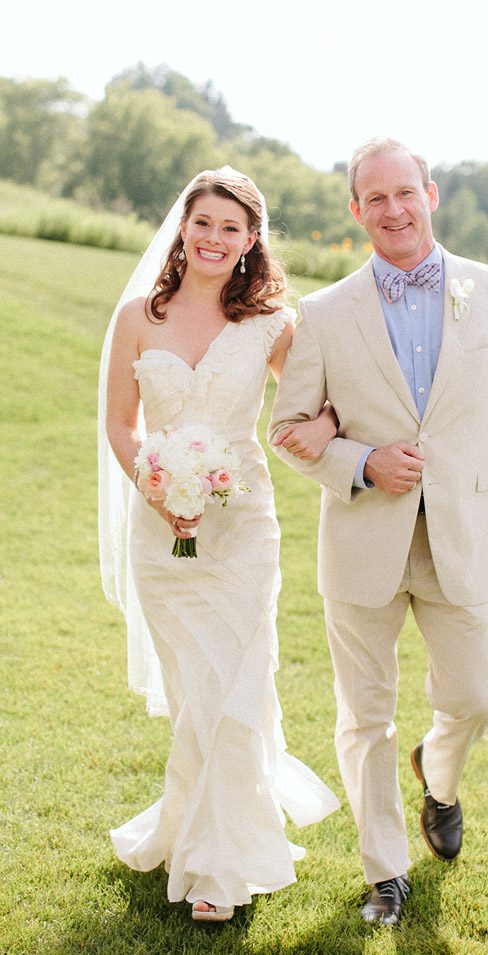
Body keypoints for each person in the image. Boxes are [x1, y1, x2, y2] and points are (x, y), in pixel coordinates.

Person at [269, 138, 488, 925]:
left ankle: (438, 773)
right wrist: (360, 462)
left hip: (464, 534)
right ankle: (384, 870)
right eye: (375, 198)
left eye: (406, 192)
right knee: (364, 712)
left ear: (429, 195)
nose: (392, 209)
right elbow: (288, 427)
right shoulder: (323, 313)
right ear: (354, 211)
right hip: (361, 538)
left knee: (473, 693)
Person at [98, 167, 340, 922]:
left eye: (230, 227)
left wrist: (327, 429)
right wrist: (157, 487)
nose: (213, 238)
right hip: (160, 528)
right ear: (183, 226)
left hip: (244, 528)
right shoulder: (139, 315)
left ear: (250, 240)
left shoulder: (272, 324)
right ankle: (200, 834)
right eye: (202, 222)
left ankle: (217, 868)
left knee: (237, 684)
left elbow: (317, 402)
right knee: (196, 695)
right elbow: (119, 423)